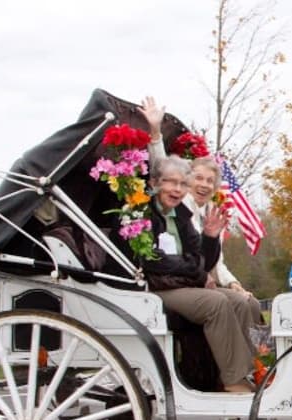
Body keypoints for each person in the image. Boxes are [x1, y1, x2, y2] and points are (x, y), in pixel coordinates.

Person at [111, 154, 257, 394]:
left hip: (181, 285)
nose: (177, 189)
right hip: (154, 289)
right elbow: (152, 260)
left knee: (243, 302)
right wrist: (196, 272)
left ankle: (249, 370)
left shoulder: (180, 216)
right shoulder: (138, 214)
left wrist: (210, 239)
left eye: (182, 184)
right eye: (171, 182)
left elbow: (202, 260)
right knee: (216, 303)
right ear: (155, 183)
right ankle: (234, 380)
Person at [139, 96, 264, 326]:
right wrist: (155, 133)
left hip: (195, 279)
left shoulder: (206, 210)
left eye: (210, 180)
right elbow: (163, 169)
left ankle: (254, 356)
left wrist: (231, 282)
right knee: (220, 303)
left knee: (250, 303)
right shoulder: (180, 201)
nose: (204, 185)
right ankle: (235, 361)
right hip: (178, 283)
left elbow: (213, 260)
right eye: (198, 178)